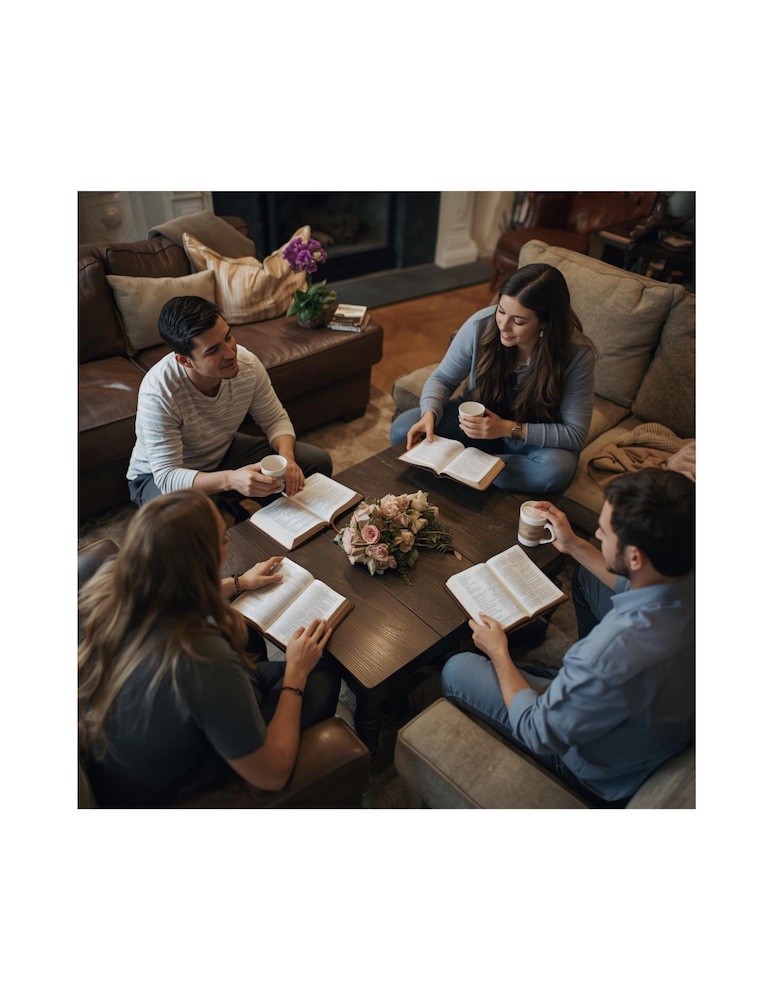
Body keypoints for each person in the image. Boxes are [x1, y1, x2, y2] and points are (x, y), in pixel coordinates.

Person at [441, 468, 695, 807]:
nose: (599, 536)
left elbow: (536, 730)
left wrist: (499, 652)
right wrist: (573, 545)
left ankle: (565, 688)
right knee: (587, 578)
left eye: (603, 532)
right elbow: (640, 582)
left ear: (635, 557)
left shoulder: (607, 654)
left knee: (456, 669)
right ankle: (570, 689)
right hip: (654, 717)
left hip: (598, 771)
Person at [78, 490, 341, 808]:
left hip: (119, 754)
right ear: (205, 559)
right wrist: (296, 673)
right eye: (224, 538)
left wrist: (239, 582)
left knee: (261, 661)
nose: (226, 541)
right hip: (162, 787)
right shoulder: (202, 658)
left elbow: (168, 589)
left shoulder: (111, 577)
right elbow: (273, 775)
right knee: (322, 674)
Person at [390, 264, 596, 493]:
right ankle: (481, 469)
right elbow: (443, 378)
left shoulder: (576, 354)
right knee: (403, 429)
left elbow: (575, 433)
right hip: (475, 426)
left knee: (552, 471)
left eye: (518, 321)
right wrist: (430, 412)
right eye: (501, 310)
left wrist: (507, 428)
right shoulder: (480, 325)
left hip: (530, 438)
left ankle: (472, 467)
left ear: (545, 322)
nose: (504, 326)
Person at [126, 295, 332, 518]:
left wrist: (287, 460)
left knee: (314, 463)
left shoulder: (247, 364)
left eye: (228, 337)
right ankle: (224, 501)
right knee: (186, 519)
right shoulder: (158, 393)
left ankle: (273, 526)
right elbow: (167, 477)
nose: (230, 352)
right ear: (185, 361)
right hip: (157, 476)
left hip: (222, 452)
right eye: (213, 350)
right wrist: (231, 479)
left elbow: (275, 419)